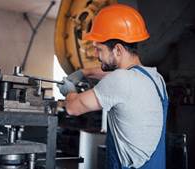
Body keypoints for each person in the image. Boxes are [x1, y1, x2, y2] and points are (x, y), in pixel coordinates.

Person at [57, 3, 168, 169]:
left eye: (99, 49)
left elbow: (73, 108)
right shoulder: (154, 78)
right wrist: (85, 72)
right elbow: (118, 78)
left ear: (117, 50)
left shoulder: (120, 80)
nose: (95, 55)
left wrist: (69, 89)